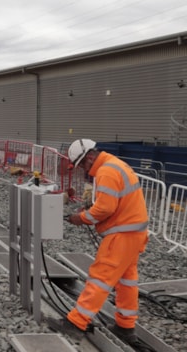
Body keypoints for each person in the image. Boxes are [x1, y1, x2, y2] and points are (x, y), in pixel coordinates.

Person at [48, 138, 148, 345]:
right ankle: (125, 327)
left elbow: (105, 208)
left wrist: (82, 218)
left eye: (83, 164)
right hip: (134, 233)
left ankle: (76, 322)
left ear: (90, 157)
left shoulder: (106, 171)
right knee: (126, 282)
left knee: (100, 277)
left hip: (122, 235)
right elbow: (112, 203)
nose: (84, 169)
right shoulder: (115, 164)